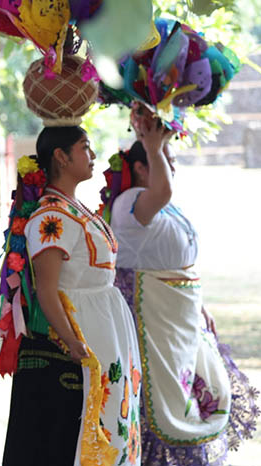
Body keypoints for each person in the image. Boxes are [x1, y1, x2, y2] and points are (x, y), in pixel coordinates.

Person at [106, 104, 259, 465]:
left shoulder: (161, 207)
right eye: (162, 161)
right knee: (165, 401)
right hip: (153, 321)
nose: (171, 166)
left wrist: (199, 304)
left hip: (179, 318)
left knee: (193, 395)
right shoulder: (130, 204)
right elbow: (163, 193)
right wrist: (154, 146)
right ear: (141, 168)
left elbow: (178, 261)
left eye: (170, 159)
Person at [0, 126, 142, 465]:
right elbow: (48, 289)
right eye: (85, 148)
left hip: (103, 324)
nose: (92, 156)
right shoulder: (52, 215)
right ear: (61, 157)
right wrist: (72, 341)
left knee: (113, 416)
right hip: (83, 327)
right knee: (87, 427)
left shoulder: (73, 208)